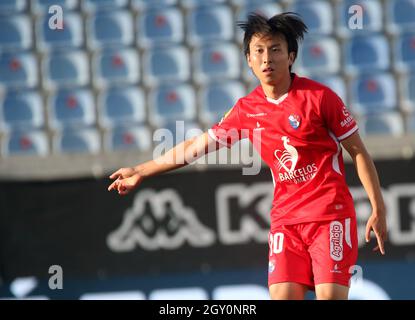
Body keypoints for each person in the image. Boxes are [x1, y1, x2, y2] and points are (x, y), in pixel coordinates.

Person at [108, 12, 387, 300]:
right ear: (249, 60)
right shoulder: (246, 109)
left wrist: (378, 208)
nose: (267, 58)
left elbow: (357, 151)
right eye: (259, 51)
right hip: (286, 222)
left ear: (291, 56)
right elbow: (196, 147)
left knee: (328, 296)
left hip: (329, 217)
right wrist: (141, 169)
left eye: (276, 50)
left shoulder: (320, 98)